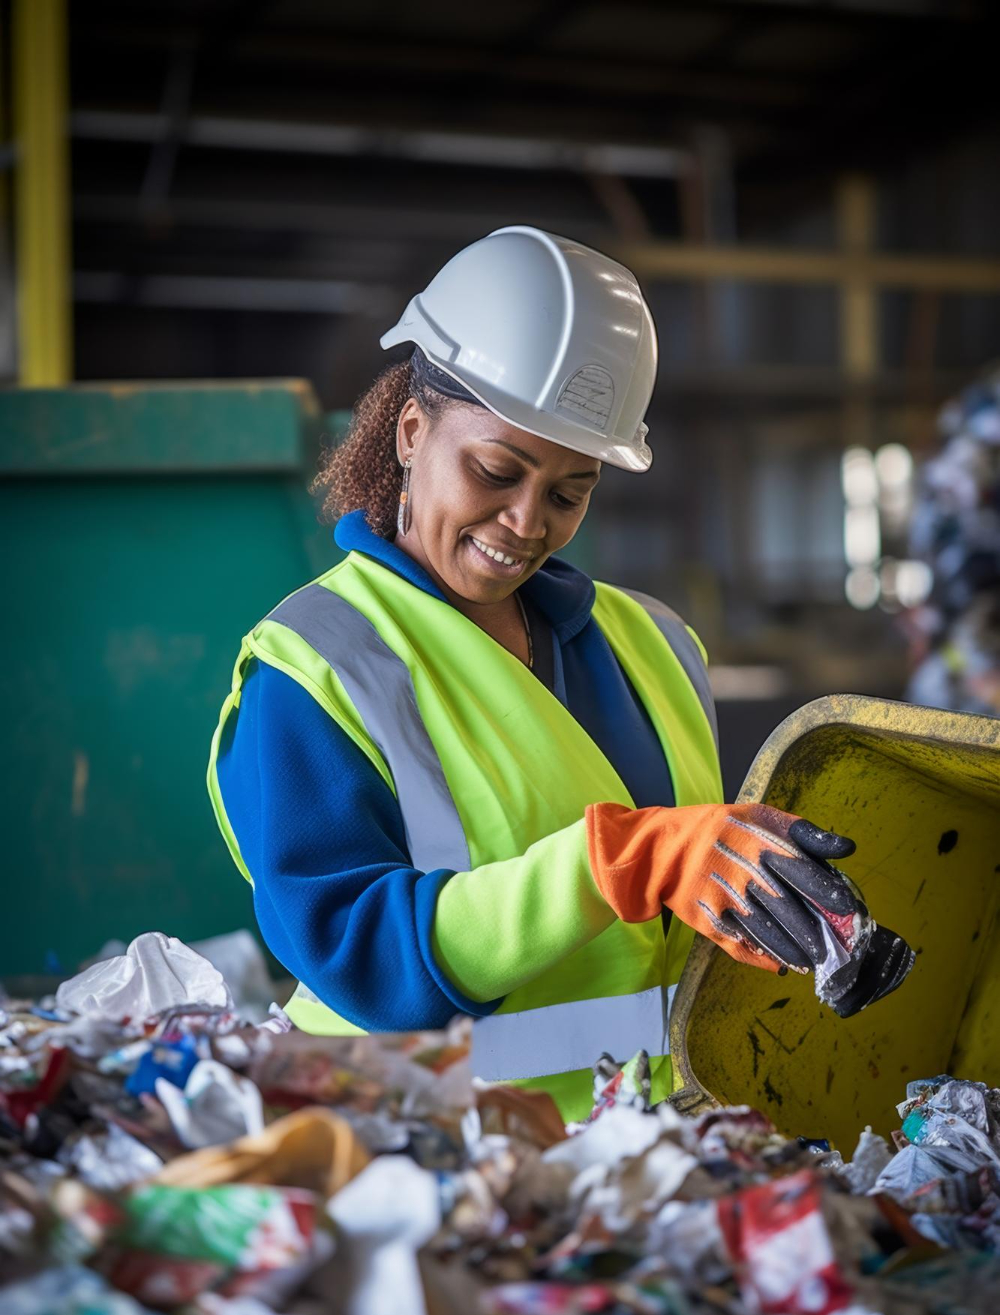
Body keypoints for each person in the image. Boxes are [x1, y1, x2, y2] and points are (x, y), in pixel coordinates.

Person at [208, 226, 911, 1121]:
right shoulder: (314, 665)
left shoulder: (653, 641)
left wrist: (765, 910)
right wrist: (617, 862)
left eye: (570, 492)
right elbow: (367, 960)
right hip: (431, 1156)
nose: (525, 523)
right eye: (497, 471)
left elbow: (659, 928)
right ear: (413, 432)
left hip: (654, 1147)